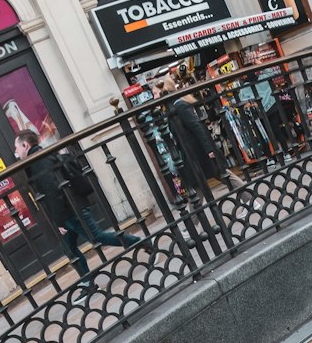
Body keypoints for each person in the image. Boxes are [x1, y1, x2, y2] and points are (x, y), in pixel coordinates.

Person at [16, 129, 138, 271]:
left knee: (98, 237)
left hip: (70, 210)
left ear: (25, 145)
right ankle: (88, 283)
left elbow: (53, 190)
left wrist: (59, 220)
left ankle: (140, 242)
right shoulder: (40, 157)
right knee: (69, 248)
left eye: (17, 148)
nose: (16, 152)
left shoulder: (39, 161)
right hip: (69, 208)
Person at [158, 72, 243, 205]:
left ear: (164, 91)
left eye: (155, 93)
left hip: (199, 152)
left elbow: (197, 127)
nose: (154, 96)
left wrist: (209, 149)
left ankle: (251, 199)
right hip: (192, 153)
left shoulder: (179, 106)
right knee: (197, 185)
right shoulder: (172, 108)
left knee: (221, 175)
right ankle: (196, 223)